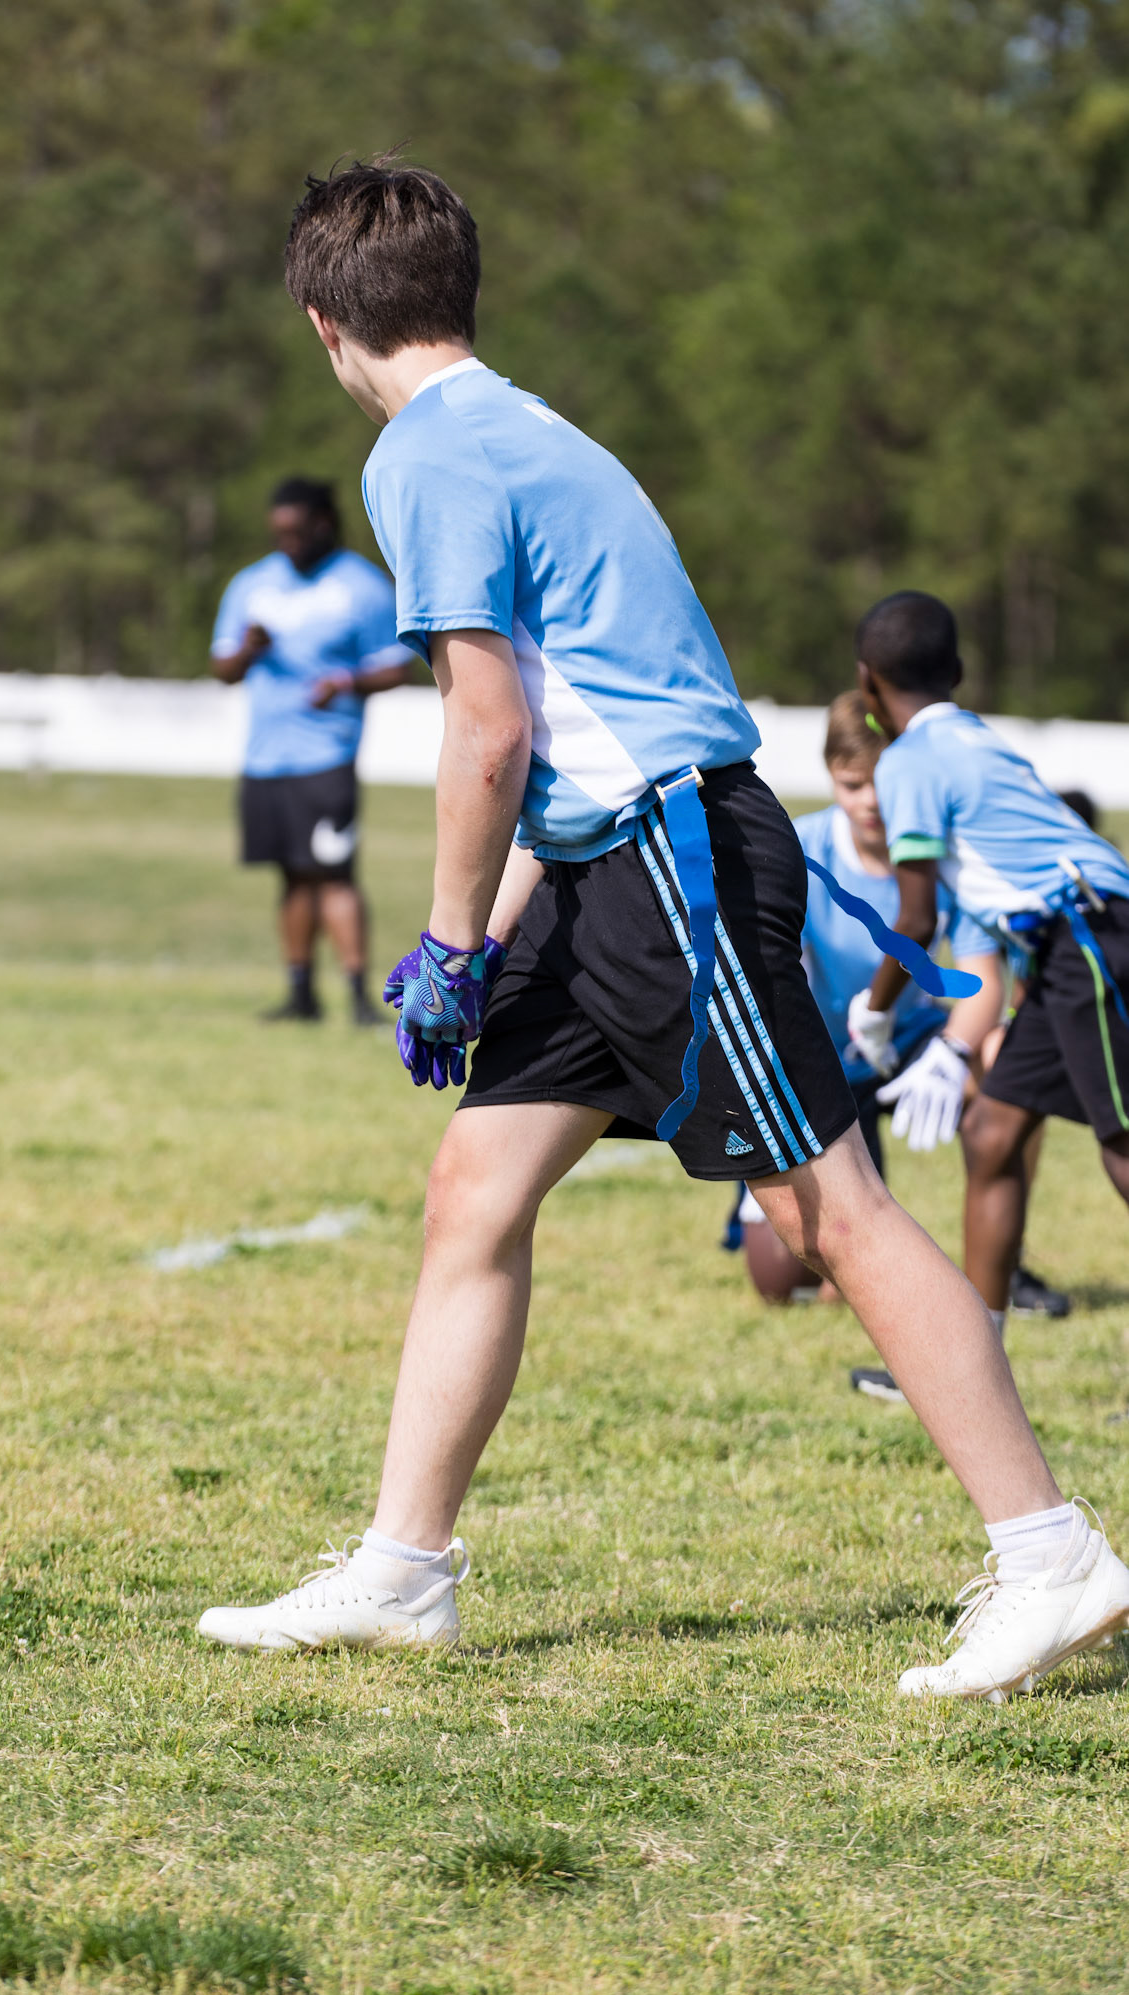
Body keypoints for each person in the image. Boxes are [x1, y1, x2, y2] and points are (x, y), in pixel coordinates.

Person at [197, 159, 1129, 1703]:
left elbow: (491, 731)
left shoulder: (423, 454)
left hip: (670, 865)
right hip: (601, 865)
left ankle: (1051, 1555)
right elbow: (573, 737)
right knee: (473, 1188)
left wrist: (445, 943)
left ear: (321, 323)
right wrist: (492, 934)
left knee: (829, 1210)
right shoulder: (527, 426)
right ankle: (403, 1571)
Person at [735, 693, 1070, 1394]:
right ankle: (768, 1198)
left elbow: (981, 982)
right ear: (831, 774)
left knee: (1003, 1061)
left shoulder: (939, 860)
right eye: (851, 783)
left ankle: (1002, 1262)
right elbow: (772, 981)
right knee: (781, 1279)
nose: (869, 802)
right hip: (815, 1059)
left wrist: (951, 1054)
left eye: (882, 784)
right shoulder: (798, 846)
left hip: (909, 1046)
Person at [851, 592, 1129, 1336]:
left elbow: (915, 919)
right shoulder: (980, 741)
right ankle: (974, 1363)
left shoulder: (908, 762)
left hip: (1092, 937)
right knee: (992, 1134)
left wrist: (873, 1011)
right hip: (1068, 942)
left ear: (867, 680)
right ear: (958, 670)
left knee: (1121, 1142)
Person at [210, 477, 414, 1026]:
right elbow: (222, 668)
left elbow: (397, 666)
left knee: (334, 875)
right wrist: (248, 651)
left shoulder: (362, 587)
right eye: (279, 534)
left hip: (326, 756)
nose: (287, 544)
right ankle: (301, 995)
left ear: (324, 524)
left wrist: (345, 683)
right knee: (292, 876)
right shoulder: (252, 584)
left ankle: (359, 997)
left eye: (297, 532)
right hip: (265, 758)